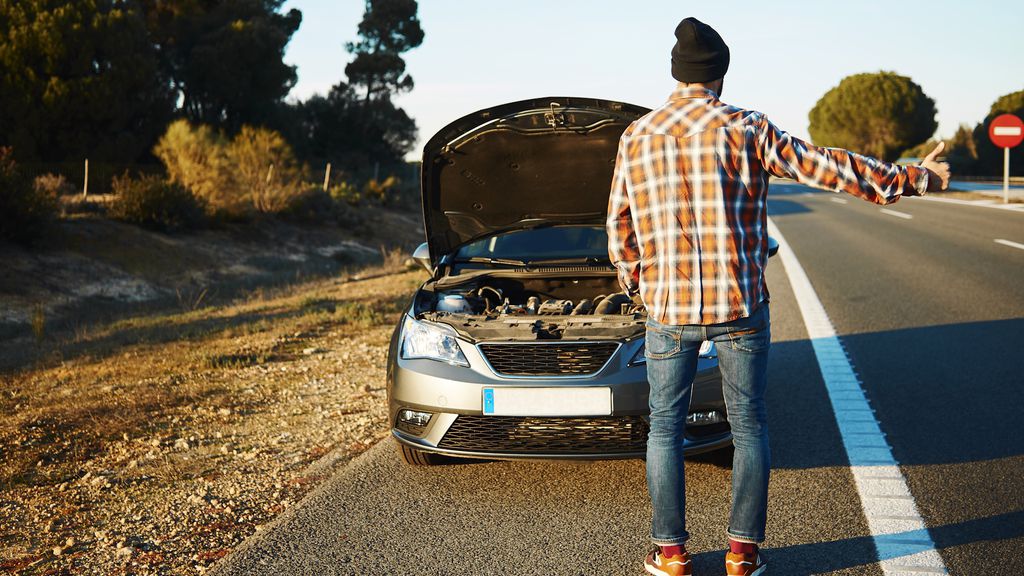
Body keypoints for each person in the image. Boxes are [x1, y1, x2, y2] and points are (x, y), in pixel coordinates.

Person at [606, 17, 950, 576]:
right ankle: (743, 553)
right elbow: (827, 166)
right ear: (718, 75)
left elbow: (617, 224)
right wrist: (912, 178)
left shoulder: (636, 136)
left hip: (667, 311)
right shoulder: (746, 127)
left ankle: (670, 553)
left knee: (664, 428)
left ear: (676, 74)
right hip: (739, 307)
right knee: (749, 425)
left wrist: (640, 286)